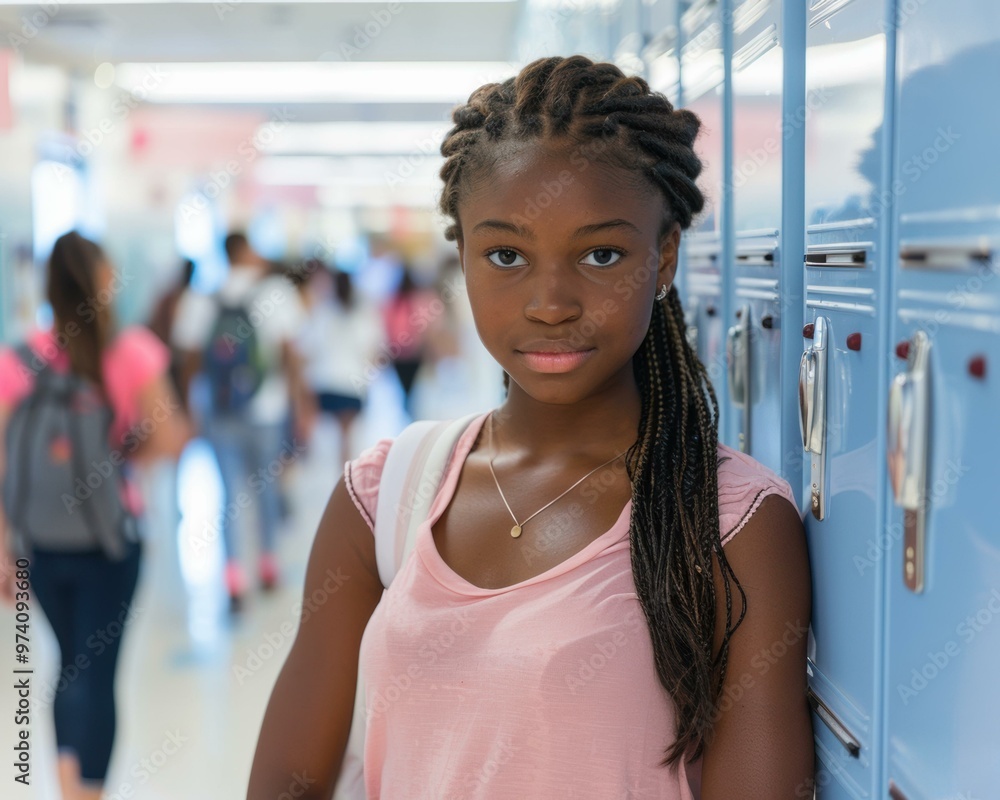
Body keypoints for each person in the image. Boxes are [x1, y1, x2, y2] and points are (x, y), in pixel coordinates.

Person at [247, 56, 813, 798]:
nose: (551, 302)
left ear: (665, 257)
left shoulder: (735, 524)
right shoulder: (384, 496)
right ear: (463, 259)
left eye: (601, 254)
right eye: (506, 255)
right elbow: (288, 784)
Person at [0, 231, 190, 800]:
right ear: (105, 282)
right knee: (97, 671)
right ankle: (89, 791)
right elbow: (173, 435)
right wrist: (121, 460)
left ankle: (63, 784)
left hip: (38, 543)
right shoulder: (130, 352)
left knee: (67, 665)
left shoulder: (19, 358)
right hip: (111, 542)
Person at [172, 232, 313, 611]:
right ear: (245, 250)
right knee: (266, 487)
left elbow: (189, 360)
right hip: (267, 409)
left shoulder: (201, 296)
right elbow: (290, 353)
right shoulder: (276, 293)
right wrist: (300, 406)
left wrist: (189, 409)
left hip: (218, 411)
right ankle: (268, 564)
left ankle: (233, 576)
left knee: (227, 495)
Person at [296, 264, 383, 469]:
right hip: (353, 384)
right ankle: (345, 482)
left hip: (325, 383)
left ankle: (331, 484)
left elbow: (306, 349)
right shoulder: (363, 314)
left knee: (325, 442)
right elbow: (373, 352)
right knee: (348, 442)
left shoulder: (322, 312)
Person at [382, 264, 438, 419]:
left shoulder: (393, 301)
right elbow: (426, 328)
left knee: (406, 390)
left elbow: (387, 328)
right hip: (414, 353)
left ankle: (409, 413)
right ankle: (411, 415)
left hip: (399, 354)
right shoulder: (418, 299)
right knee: (414, 390)